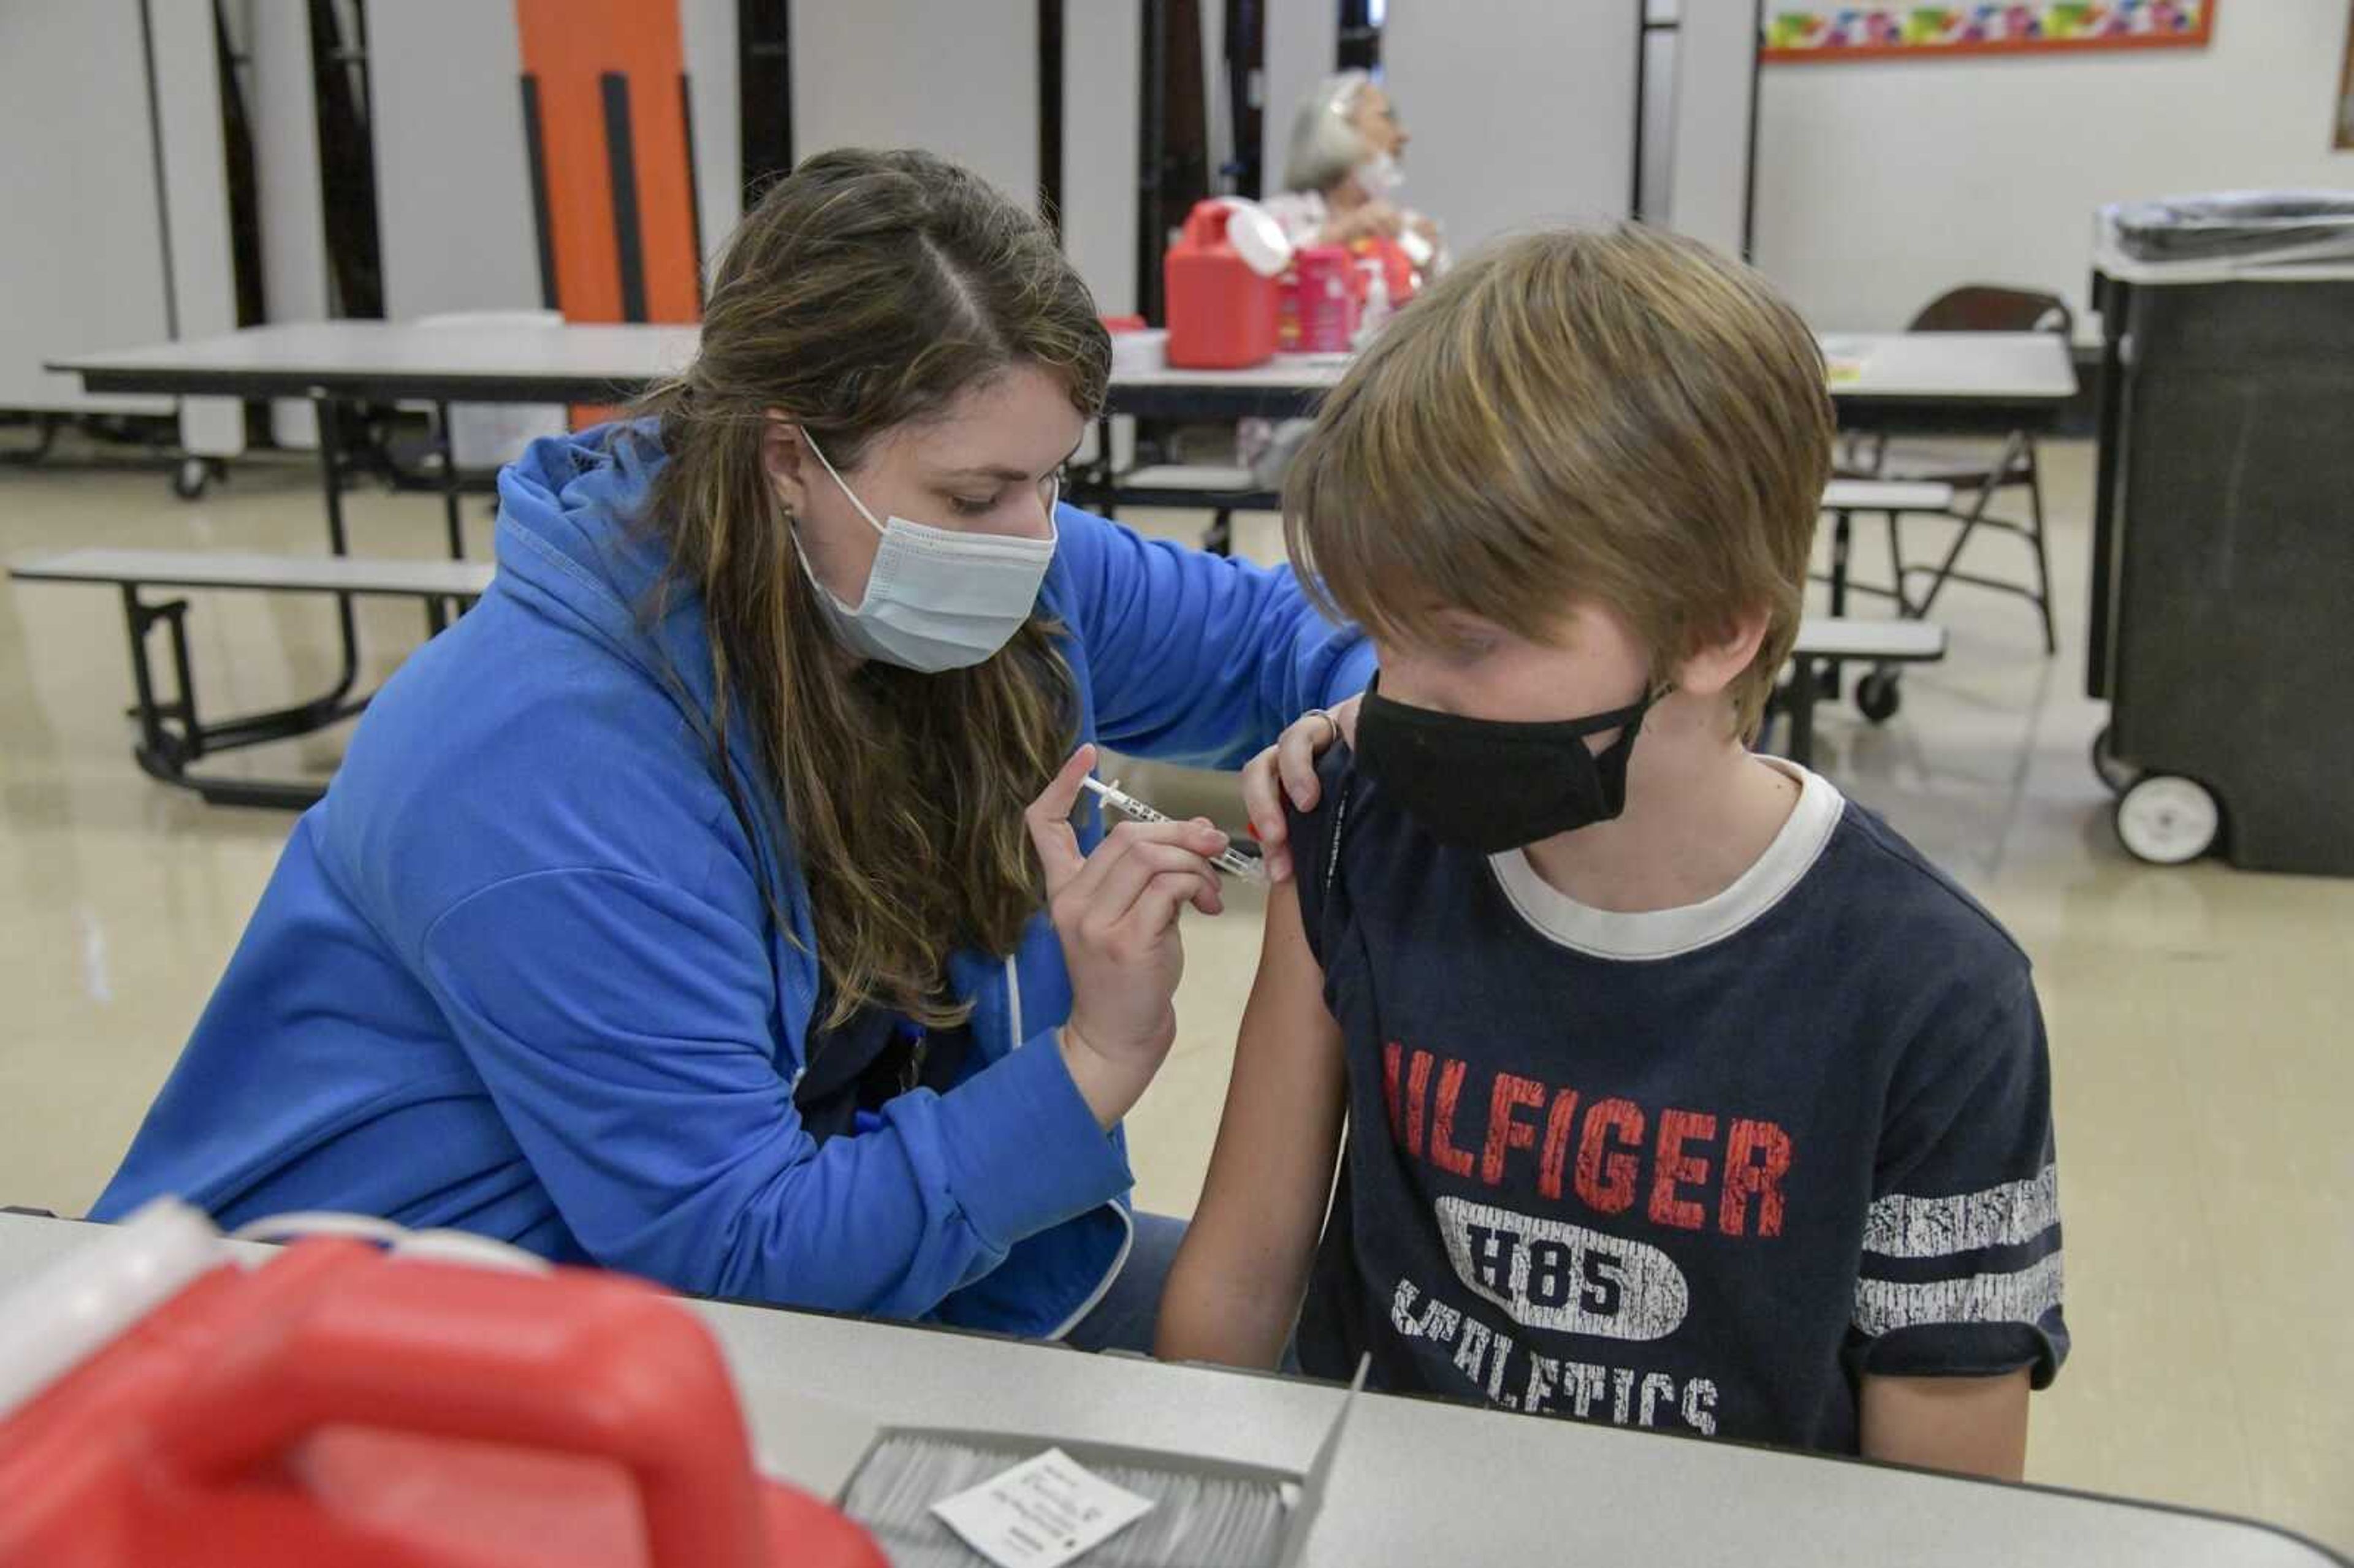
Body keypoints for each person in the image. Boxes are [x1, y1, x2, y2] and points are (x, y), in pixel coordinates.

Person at [90, 148, 1373, 1353]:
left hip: (788, 1247)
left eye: (1054, 480)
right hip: (404, 1333)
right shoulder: (543, 765)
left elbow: (1287, 637)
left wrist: (1374, 712)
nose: (1034, 539)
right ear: (784, 459)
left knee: (1311, 1352)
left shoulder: (948, 557)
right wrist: (1093, 1058)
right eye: (980, 497)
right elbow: (739, 1251)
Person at [1159, 226, 2068, 1478]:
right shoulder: (1355, 832)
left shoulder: (1933, 998)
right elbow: (1245, 1271)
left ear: (1712, 632)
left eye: (1469, 644)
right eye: (1382, 637)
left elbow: (1948, 1497)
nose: (1391, 702)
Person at [1262, 70, 1441, 265]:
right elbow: (1263, 274)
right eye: (1387, 117)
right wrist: (1342, 234)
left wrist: (1429, 265)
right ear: (1339, 126)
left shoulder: (1404, 227)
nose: (1404, 135)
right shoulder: (1275, 220)